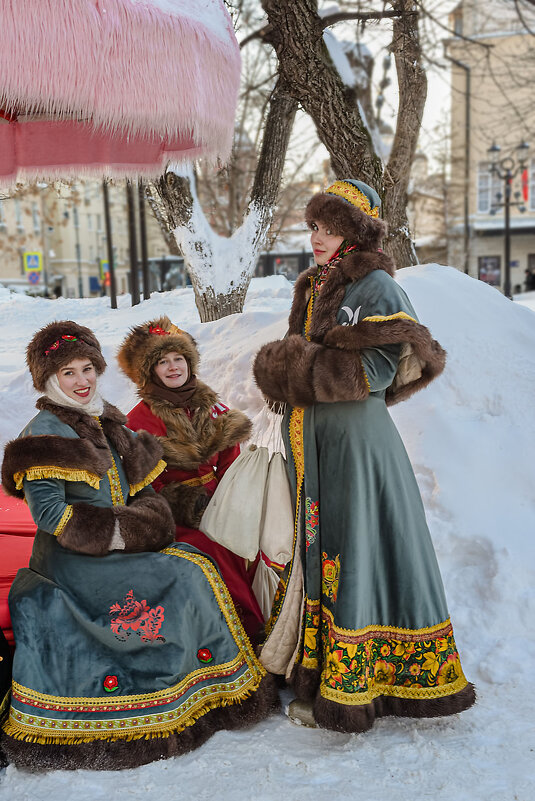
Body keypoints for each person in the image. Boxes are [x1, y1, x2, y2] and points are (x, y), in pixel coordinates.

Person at [0, 321, 276, 771]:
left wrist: (146, 522)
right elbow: (50, 515)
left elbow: (142, 487)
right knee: (182, 572)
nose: (82, 380)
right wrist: (116, 536)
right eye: (69, 373)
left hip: (120, 541)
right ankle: (158, 695)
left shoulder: (108, 420)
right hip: (73, 558)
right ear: (49, 379)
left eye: (88, 369)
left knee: (196, 562)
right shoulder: (42, 435)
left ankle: (203, 690)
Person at [253, 179, 475, 732]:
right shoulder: (314, 285)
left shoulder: (377, 286)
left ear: (355, 234)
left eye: (329, 229)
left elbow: (375, 372)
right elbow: (305, 357)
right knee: (322, 551)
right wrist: (289, 375)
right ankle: (316, 670)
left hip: (354, 446)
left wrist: (292, 372)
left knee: (354, 551)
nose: (317, 238)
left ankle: (355, 688)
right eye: (314, 226)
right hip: (316, 444)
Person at [117, 317, 264, 643]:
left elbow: (231, 463)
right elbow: (142, 487)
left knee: (259, 542)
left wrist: (236, 501)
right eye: (163, 361)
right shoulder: (137, 421)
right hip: (175, 515)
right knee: (213, 548)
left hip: (220, 502)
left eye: (178, 358)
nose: (173, 367)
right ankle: (243, 632)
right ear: (150, 371)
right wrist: (187, 505)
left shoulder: (211, 406)